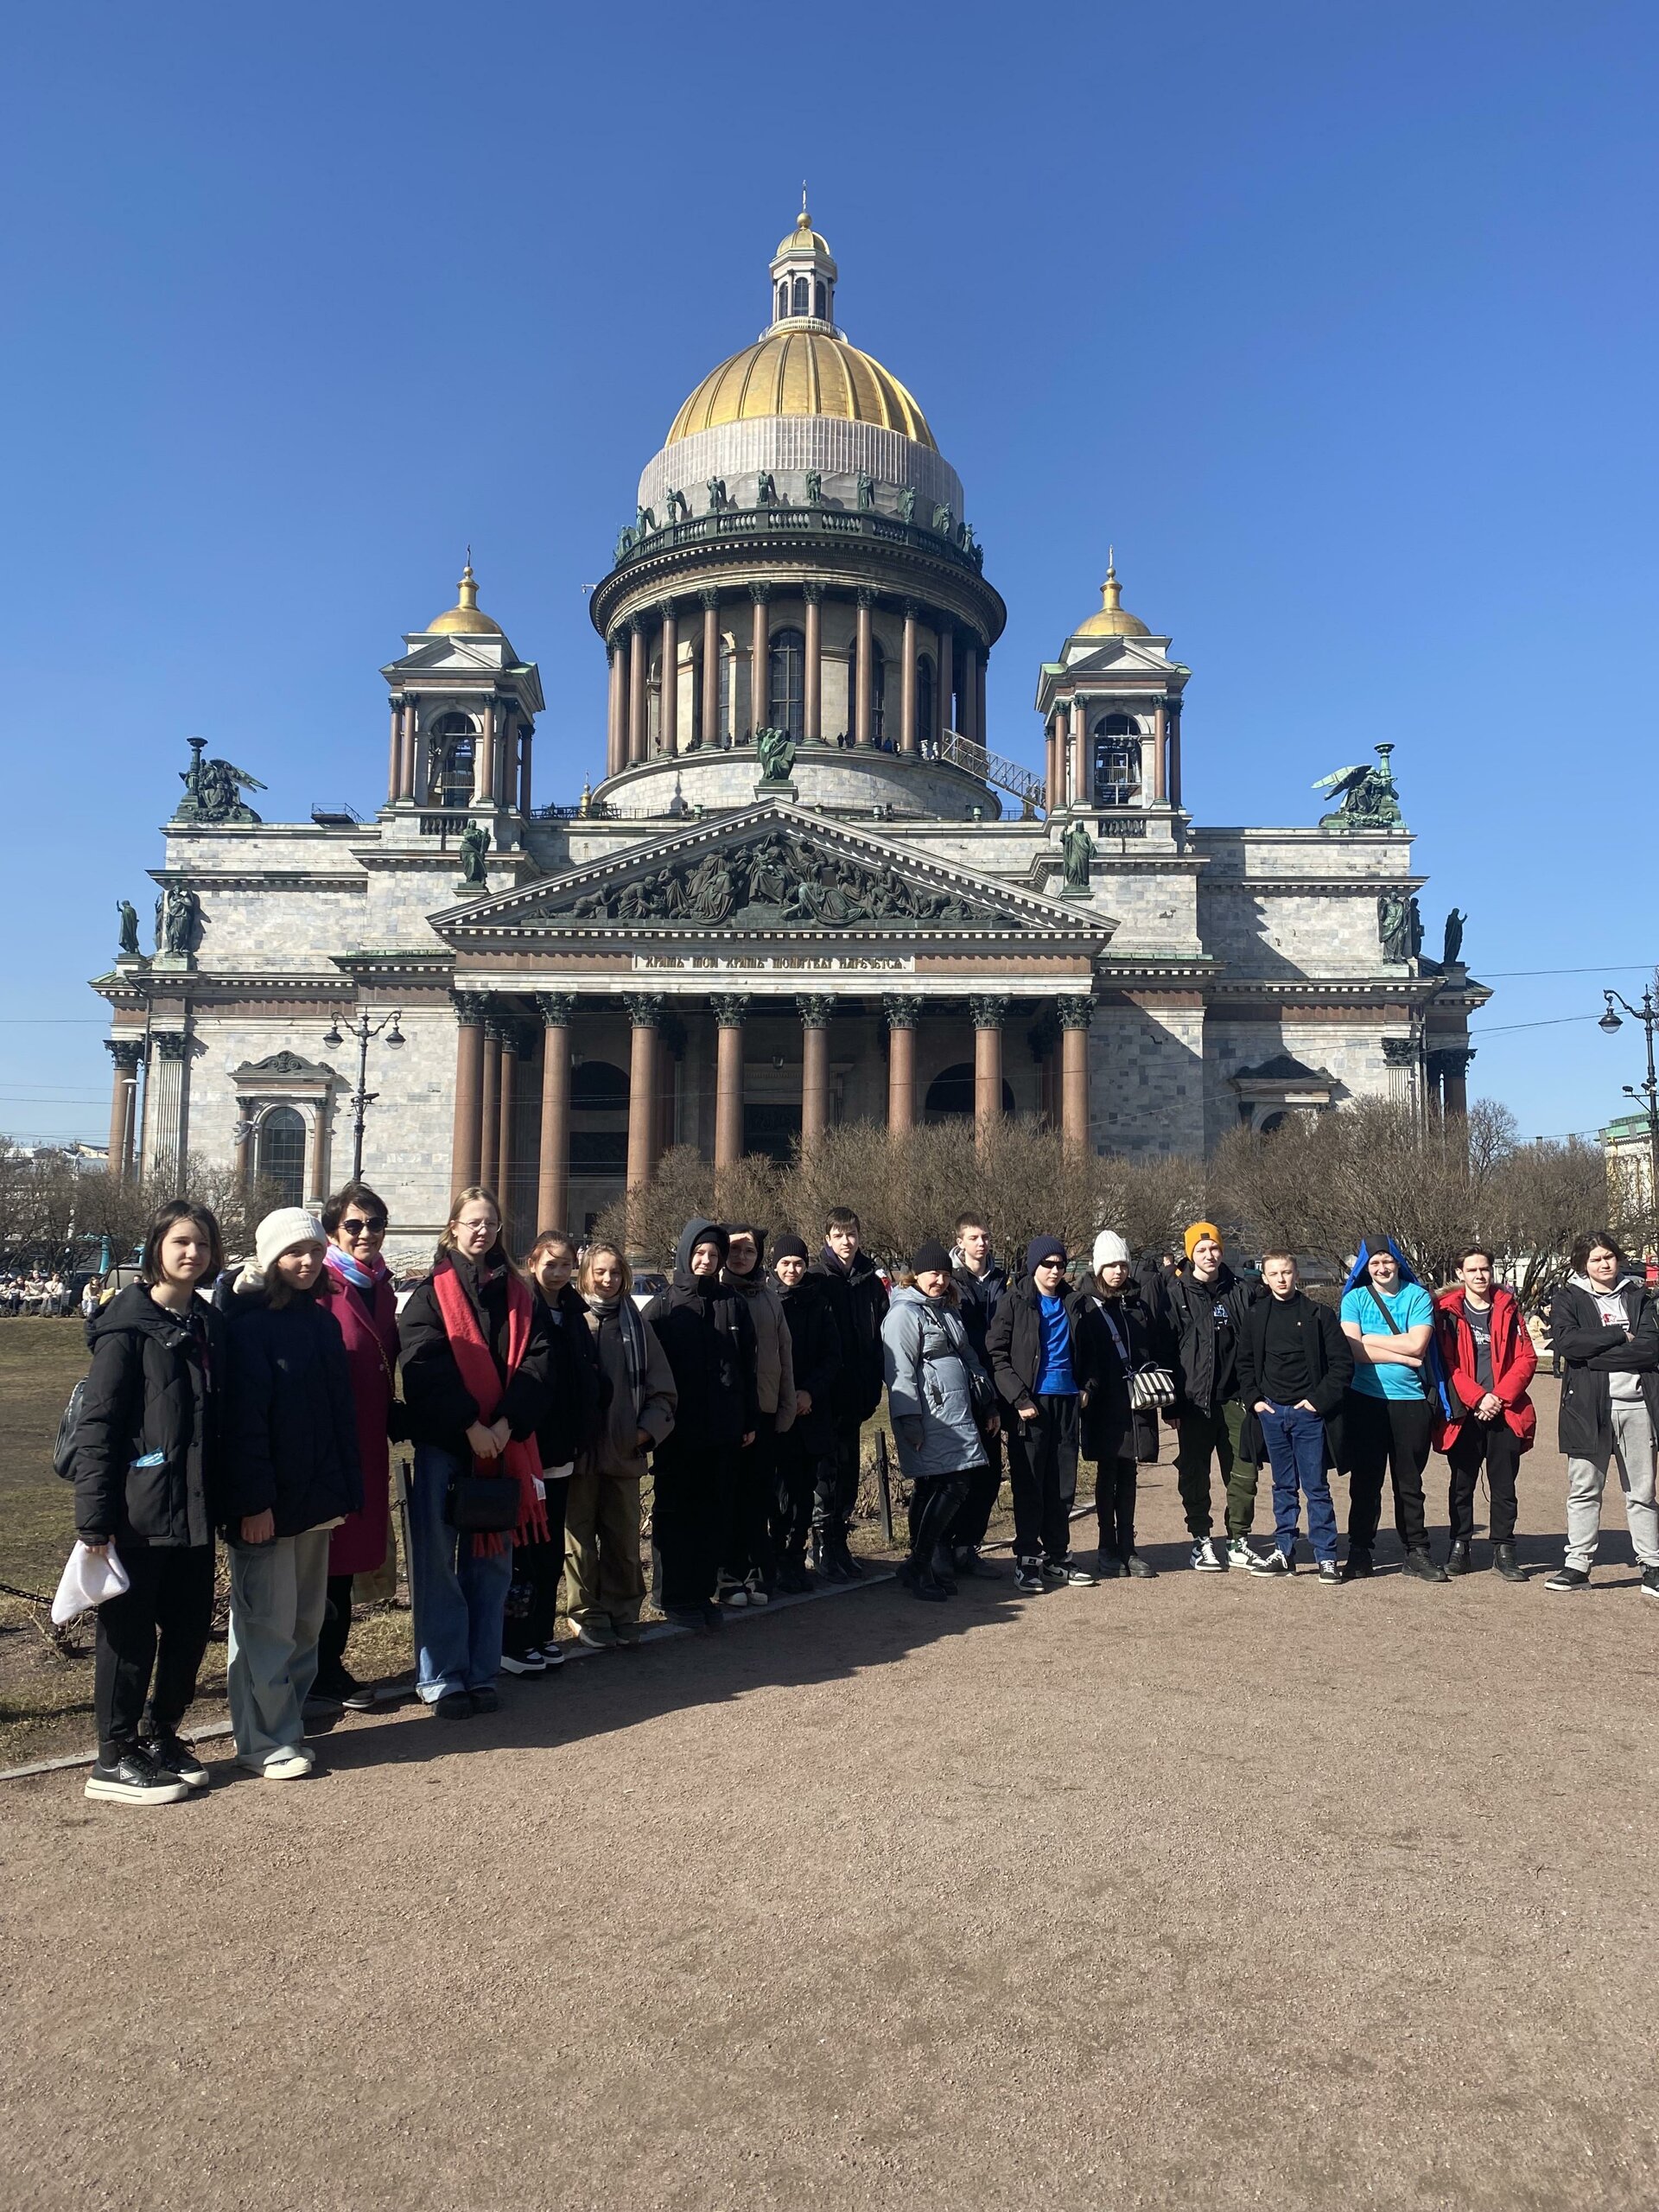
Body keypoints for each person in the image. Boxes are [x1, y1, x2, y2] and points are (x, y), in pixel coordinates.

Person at [73, 1199, 228, 1806]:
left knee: (190, 1629)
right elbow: (99, 1428)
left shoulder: (207, 1324)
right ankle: (112, 1756)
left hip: (192, 1508)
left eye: (203, 1244)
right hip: (137, 1510)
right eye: (181, 1242)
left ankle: (160, 1733)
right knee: (128, 1635)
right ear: (158, 1247)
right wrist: (94, 1520)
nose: (193, 1254)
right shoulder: (126, 1326)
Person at [219, 1208, 363, 1779]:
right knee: (265, 1628)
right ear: (270, 1259)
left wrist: (344, 1493)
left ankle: (290, 1723)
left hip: (315, 1501)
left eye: (312, 1250)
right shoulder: (248, 1327)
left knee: (305, 1623)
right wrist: (254, 1503)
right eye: (292, 1252)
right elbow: (243, 1426)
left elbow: (337, 1419)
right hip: (268, 1507)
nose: (305, 1262)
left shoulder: (322, 1324)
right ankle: (260, 1739)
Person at [398, 1188, 552, 1716]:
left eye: (491, 1222)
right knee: (439, 1564)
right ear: (454, 1228)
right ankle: (442, 1676)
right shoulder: (428, 1294)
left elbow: (538, 1362)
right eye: (472, 1222)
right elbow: (423, 1362)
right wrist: (469, 1425)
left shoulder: (519, 1294)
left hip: (504, 1444)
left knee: (493, 1565)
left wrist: (506, 1423)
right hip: (448, 1444)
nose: (482, 1231)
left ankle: (482, 1670)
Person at [312, 1180, 403, 1711]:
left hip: (369, 1442)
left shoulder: (382, 1286)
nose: (366, 1233)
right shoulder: (320, 1284)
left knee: (343, 1565)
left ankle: (328, 1665)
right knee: (318, 1560)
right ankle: (309, 1666)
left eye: (374, 1224)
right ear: (332, 1232)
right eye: (354, 1225)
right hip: (328, 1444)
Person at [642, 1219, 758, 1630]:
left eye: (714, 1255)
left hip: (723, 1430)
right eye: (700, 1253)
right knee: (676, 1513)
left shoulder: (732, 1303)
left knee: (712, 1512)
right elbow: (650, 1374)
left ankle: (700, 1591)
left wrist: (746, 1419)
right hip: (679, 1433)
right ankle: (670, 1594)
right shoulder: (664, 1306)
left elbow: (746, 1364)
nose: (706, 1261)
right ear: (686, 1254)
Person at [502, 1231, 605, 1673]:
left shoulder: (575, 1314)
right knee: (523, 1550)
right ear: (533, 1262)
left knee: (548, 1551)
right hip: (527, 1446)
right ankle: (512, 1642)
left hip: (563, 1448)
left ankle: (541, 1633)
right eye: (552, 1263)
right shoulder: (523, 1308)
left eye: (566, 1265)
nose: (559, 1272)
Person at [568, 1243, 675, 1649]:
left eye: (615, 1272)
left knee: (623, 1539)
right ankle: (585, 1614)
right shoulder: (573, 1319)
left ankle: (623, 1609)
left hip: (624, 1450)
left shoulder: (637, 1323)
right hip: (578, 1453)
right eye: (600, 1272)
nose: (608, 1280)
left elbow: (663, 1390)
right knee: (577, 1541)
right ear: (585, 1274)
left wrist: (643, 1433)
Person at [1543, 1232, 1659, 1597]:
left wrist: (1595, 1355)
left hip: (1636, 1407)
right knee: (1584, 1489)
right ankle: (1577, 1565)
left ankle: (1652, 1564)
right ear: (1583, 1264)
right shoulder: (1568, 1298)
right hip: (1587, 1407)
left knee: (1642, 1491)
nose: (1604, 1264)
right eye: (1595, 1259)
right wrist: (1619, 1336)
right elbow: (1568, 1344)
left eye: (1609, 1256)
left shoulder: (1639, 1296)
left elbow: (1651, 1348)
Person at [882, 1241, 996, 1602]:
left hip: (957, 1413)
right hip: (929, 1416)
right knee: (954, 1485)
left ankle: (920, 1564)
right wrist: (909, 1420)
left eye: (945, 1274)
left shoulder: (947, 1309)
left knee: (934, 1487)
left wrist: (989, 1402)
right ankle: (920, 1562)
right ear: (915, 1274)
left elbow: (969, 1356)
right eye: (933, 1273)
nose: (940, 1280)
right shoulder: (904, 1314)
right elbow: (899, 1371)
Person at [988, 1236, 1100, 1592]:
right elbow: (997, 1354)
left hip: (1067, 1401)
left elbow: (1094, 1354)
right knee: (1031, 1484)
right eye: (1047, 1264)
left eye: (1060, 1264)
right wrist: (1019, 1398)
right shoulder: (1015, 1301)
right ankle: (1027, 1558)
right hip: (1032, 1406)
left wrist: (1086, 1388)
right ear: (1034, 1266)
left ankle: (1057, 1556)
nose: (1054, 1271)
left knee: (1063, 1485)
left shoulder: (1076, 1302)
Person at [1236, 1251, 1352, 1583]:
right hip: (1272, 1413)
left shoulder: (1319, 1315)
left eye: (1286, 1272)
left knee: (1316, 1487)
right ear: (1265, 1277)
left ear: (1296, 1273)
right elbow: (1244, 1363)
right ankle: (1284, 1550)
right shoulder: (1256, 1315)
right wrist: (1255, 1400)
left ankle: (1326, 1556)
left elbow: (1342, 1365)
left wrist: (1317, 1402)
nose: (1281, 1279)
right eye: (1274, 1274)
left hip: (1308, 1415)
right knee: (1283, 1486)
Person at [1339, 1234, 1446, 1581]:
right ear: (1364, 1267)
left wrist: (1371, 1340)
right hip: (1365, 1400)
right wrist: (1401, 1354)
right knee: (1365, 1481)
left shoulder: (1417, 1297)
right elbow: (1353, 1351)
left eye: (1387, 1261)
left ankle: (1416, 1550)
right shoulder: (1355, 1299)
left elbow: (1418, 1345)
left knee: (1409, 1482)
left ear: (1398, 1262)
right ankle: (1360, 1551)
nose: (1382, 1268)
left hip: (1411, 1402)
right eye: (1374, 1263)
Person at [1164, 1222, 1263, 1571]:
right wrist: (1172, 1404)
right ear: (1190, 1254)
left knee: (1244, 1472)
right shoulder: (1175, 1293)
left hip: (1237, 1400)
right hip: (1194, 1402)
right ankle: (1201, 1540)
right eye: (1201, 1250)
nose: (1209, 1255)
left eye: (1214, 1249)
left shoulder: (1242, 1290)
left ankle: (1238, 1540)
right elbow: (1167, 1350)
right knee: (1194, 1472)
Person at [1433, 1248, 1536, 1582]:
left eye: (1485, 1269)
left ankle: (1504, 1550)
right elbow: (1446, 1364)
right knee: (1461, 1484)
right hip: (1466, 1411)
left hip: (1504, 1411)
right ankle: (1460, 1546)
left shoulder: (1509, 1308)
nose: (1480, 1275)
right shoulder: (1447, 1312)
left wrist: (1499, 1397)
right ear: (1460, 1274)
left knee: (1504, 1485)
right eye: (1472, 1270)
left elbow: (1527, 1359)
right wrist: (1478, 1397)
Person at [1078, 1230, 1165, 1579]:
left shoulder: (1138, 1304)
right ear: (1098, 1267)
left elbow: (1151, 1347)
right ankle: (1105, 1546)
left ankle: (1128, 1547)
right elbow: (1083, 1355)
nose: (1118, 1271)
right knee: (1108, 1473)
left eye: (1123, 1264)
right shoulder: (1084, 1304)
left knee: (1129, 1472)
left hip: (1135, 1401)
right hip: (1104, 1400)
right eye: (1111, 1265)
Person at [719, 1224, 797, 1605]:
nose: (742, 1257)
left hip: (765, 1411)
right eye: (735, 1250)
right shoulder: (719, 1294)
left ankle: (753, 1571)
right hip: (731, 1414)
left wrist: (785, 1406)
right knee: (730, 1496)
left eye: (749, 1251)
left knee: (758, 1495)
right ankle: (729, 1573)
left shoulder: (769, 1297)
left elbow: (784, 1354)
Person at [810, 1207, 889, 1582]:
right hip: (825, 1395)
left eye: (852, 1234)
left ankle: (840, 1543)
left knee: (848, 1475)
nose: (846, 1241)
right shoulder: (815, 1280)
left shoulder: (870, 1283)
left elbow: (878, 1339)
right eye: (839, 1235)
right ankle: (821, 1545)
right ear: (827, 1239)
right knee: (825, 1474)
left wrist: (873, 1384)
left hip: (857, 1394)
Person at [768, 1234, 842, 1593]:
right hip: (779, 1412)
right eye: (785, 1264)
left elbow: (833, 1355)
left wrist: (809, 1391)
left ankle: (797, 1558)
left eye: (798, 1263)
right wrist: (787, 1396)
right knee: (778, 1494)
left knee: (803, 1492)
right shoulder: (768, 1300)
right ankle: (776, 1559)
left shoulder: (819, 1302)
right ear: (775, 1266)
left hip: (811, 1409)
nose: (792, 1270)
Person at [948, 1211, 1008, 1574]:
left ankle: (968, 1545)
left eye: (985, 1237)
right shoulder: (952, 1282)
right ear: (961, 1243)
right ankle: (946, 1545)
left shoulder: (1004, 1282)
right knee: (960, 1474)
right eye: (974, 1238)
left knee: (990, 1472)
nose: (981, 1243)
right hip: (963, 1386)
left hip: (998, 1383)